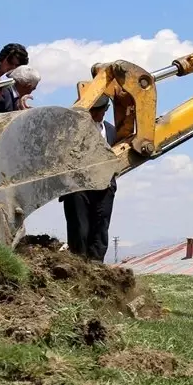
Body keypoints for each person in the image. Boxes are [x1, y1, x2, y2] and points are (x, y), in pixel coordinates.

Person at [60, 95, 117, 262]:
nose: (96, 115)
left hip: (104, 188)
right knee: (80, 229)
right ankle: (78, 264)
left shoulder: (111, 131)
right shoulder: (71, 131)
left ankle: (97, 265)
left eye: (99, 111)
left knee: (100, 228)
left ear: (105, 110)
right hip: (78, 189)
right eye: (92, 111)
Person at [0, 43, 30, 112]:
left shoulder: (16, 87)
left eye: (17, 65)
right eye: (10, 63)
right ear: (1, 60)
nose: (13, 68)